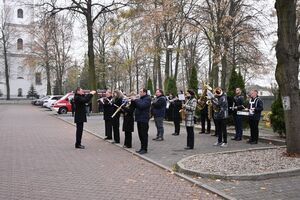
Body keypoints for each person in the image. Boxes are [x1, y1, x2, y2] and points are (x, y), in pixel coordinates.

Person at [131, 88, 151, 154]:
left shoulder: (147, 98)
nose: (139, 93)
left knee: (144, 134)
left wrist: (136, 100)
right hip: (139, 118)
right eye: (139, 92)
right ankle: (142, 148)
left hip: (144, 119)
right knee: (140, 134)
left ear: (145, 92)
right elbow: (135, 106)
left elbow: (142, 106)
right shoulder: (140, 99)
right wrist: (132, 101)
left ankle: (144, 149)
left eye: (141, 92)